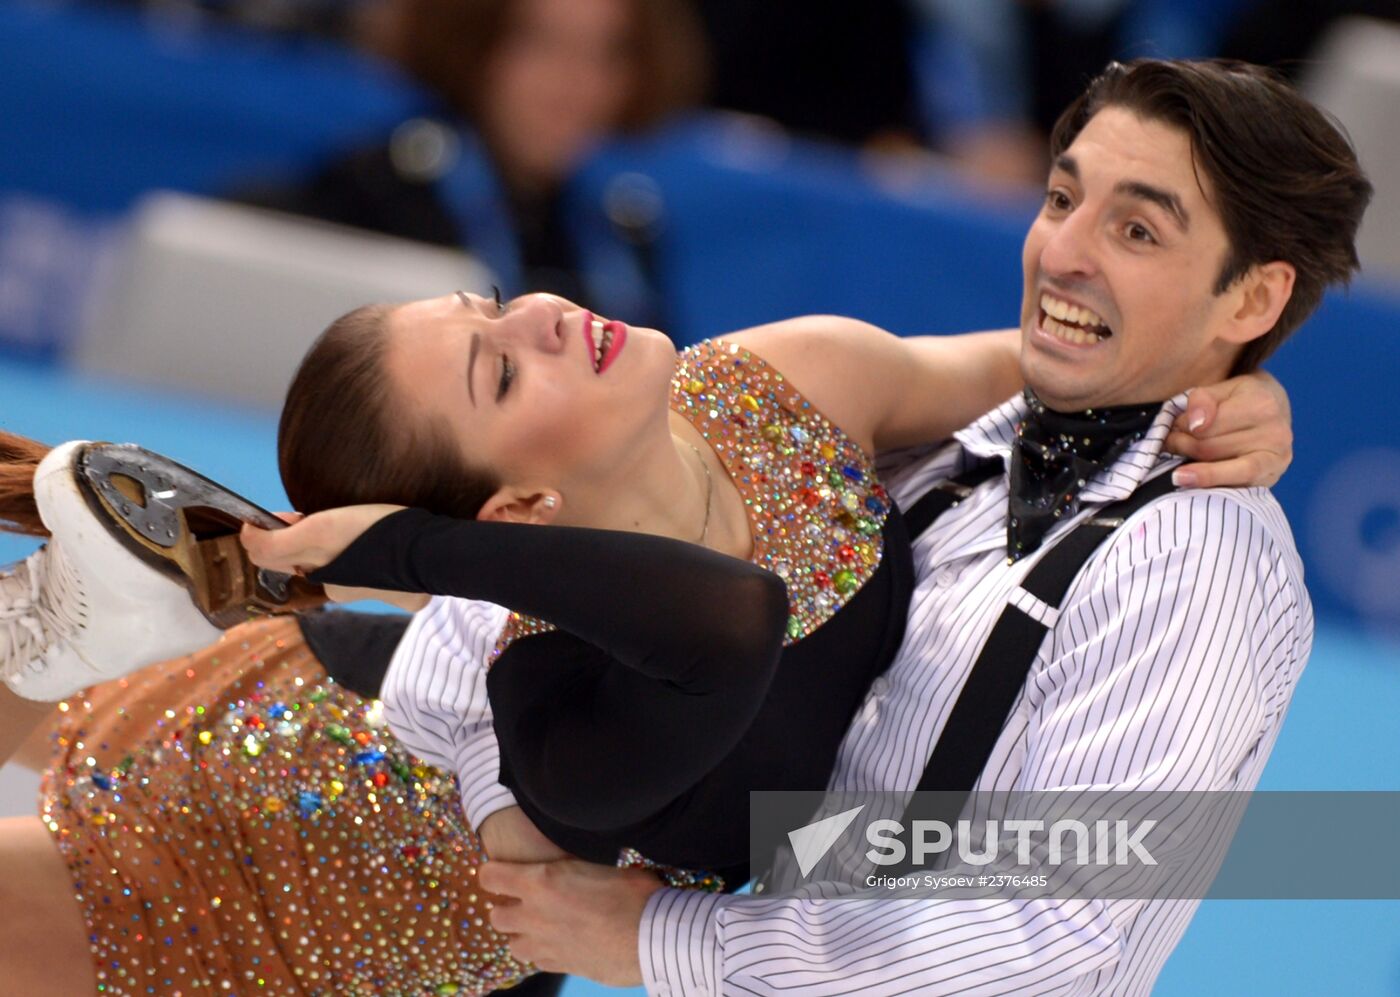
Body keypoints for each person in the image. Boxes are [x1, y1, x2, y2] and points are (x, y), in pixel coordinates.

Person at [271, 59, 1366, 994]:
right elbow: (546, 573)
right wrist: (510, 793)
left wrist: (660, 936)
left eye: (1134, 227)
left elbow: (1058, 940)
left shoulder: (1195, 558)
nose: (1062, 252)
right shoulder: (921, 439)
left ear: (1252, 300)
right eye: (1058, 198)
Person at [0, 287, 1289, 992]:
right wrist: (405, 549)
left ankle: (113, 630)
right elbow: (734, 618)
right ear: (516, 513)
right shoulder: (557, 701)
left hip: (391, 801)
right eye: (499, 373)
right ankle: (96, 640)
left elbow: (1050, 375)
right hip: (261, 841)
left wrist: (1219, 392)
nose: (545, 316)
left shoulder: (771, 384)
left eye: (493, 307)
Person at [239, 0, 707, 324]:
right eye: (541, 43)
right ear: (475, 42)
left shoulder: (625, 231)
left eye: (609, 53)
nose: (577, 82)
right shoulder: (380, 191)